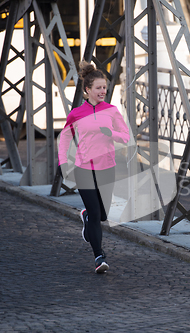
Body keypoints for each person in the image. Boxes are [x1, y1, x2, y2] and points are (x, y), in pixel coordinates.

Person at [58, 61, 129, 273]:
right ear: (87, 90)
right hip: (84, 168)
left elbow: (125, 137)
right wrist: (63, 163)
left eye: (104, 87)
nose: (103, 91)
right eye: (98, 88)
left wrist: (111, 134)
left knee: (103, 215)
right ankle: (99, 257)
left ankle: (87, 217)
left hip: (107, 167)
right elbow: (64, 139)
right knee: (96, 212)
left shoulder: (112, 111)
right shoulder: (77, 114)